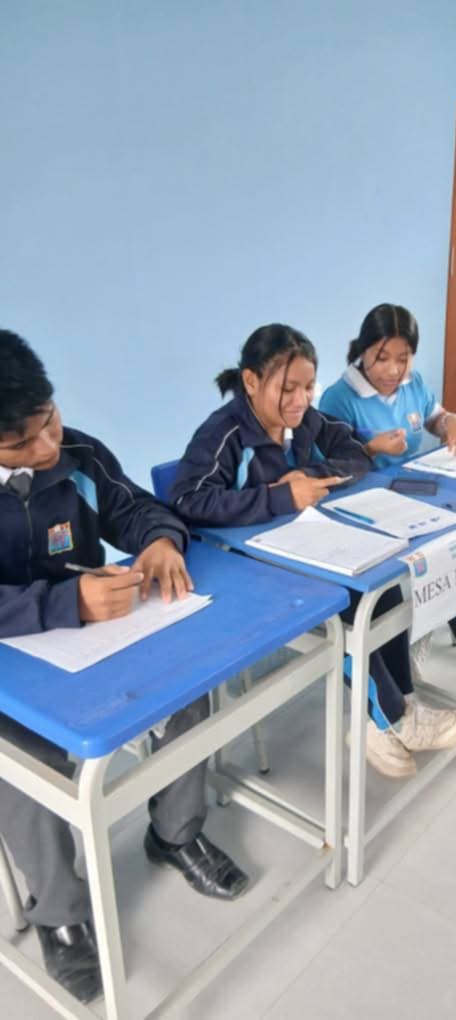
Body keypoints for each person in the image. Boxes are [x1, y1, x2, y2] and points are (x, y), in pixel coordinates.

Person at [0, 331, 249, 1005]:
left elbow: (136, 508)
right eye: (19, 444)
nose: (46, 448)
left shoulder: (79, 454)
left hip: (96, 642)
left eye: (49, 419)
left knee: (187, 688)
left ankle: (175, 834)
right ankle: (60, 912)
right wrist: (65, 602)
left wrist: (161, 540)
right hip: (11, 678)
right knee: (25, 763)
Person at [170, 323, 456, 780]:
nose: (300, 400)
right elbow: (186, 501)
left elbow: (354, 454)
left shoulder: (305, 421)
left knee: (383, 584)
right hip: (245, 567)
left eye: (308, 387)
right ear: (251, 381)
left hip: (302, 546)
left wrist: (310, 476)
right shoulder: (224, 433)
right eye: (287, 388)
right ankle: (390, 719)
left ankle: (401, 706)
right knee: (344, 605)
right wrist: (278, 496)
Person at [319, 302, 456, 726]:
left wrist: (452, 421)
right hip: (362, 517)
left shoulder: (413, 384)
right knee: (444, 564)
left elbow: (433, 417)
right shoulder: (338, 398)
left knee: (455, 559)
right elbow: (326, 463)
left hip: (415, 505)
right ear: (363, 351)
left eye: (403, 358)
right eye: (382, 358)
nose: (393, 370)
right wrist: (370, 449)